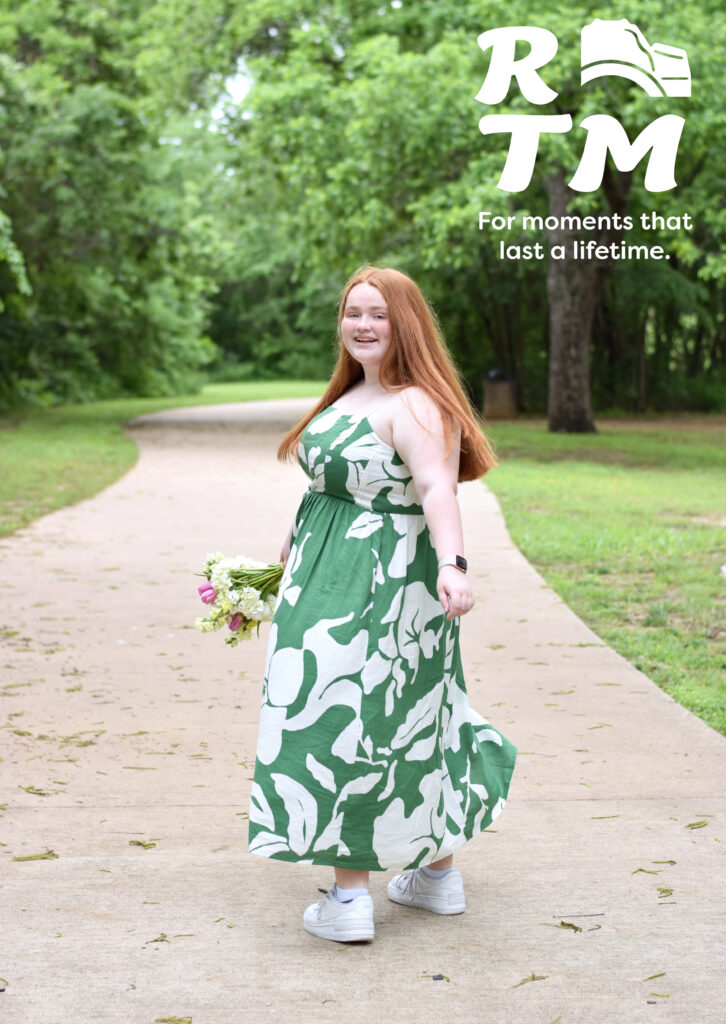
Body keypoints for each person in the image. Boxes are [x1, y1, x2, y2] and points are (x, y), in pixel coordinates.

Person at [249, 265, 517, 942]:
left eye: (379, 314)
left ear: (407, 324)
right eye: (352, 312)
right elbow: (323, 492)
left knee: (342, 714)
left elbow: (436, 491)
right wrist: (279, 562)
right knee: (410, 715)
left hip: (381, 581)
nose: (363, 324)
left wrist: (454, 566)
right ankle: (435, 877)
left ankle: (347, 900)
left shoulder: (416, 402)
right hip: (328, 573)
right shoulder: (353, 395)